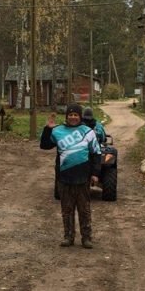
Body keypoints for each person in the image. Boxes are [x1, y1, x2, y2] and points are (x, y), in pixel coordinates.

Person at [40, 103, 101, 248]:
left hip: (83, 177)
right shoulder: (58, 131)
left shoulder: (88, 132)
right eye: (70, 115)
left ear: (80, 117)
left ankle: (86, 238)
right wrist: (48, 129)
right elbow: (44, 145)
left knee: (84, 210)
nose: (73, 117)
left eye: (76, 115)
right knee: (67, 210)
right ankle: (68, 237)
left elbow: (96, 153)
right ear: (67, 116)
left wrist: (95, 173)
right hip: (64, 177)